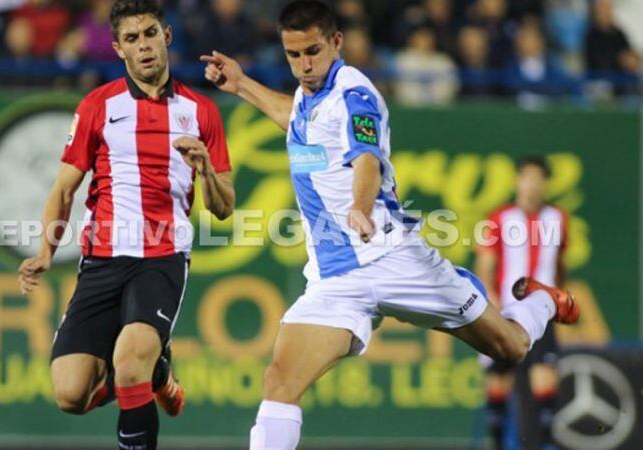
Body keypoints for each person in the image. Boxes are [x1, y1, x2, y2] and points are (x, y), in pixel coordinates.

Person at [200, 2, 579, 448]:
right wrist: (242, 84)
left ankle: (543, 302)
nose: (304, 65)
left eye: (313, 51)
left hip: (394, 260)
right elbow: (296, 120)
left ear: (337, 42)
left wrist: (360, 206)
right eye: (293, 54)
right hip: (334, 279)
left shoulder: (354, 94)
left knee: (510, 347)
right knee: (280, 382)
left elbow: (366, 161)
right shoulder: (309, 94)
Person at [17, 1, 235, 449]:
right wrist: (45, 251)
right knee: (71, 392)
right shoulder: (98, 106)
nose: (144, 47)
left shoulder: (201, 112)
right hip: (102, 260)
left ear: (167, 36)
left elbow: (224, 207)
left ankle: (145, 370)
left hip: (162, 257)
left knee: (129, 361)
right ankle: (158, 372)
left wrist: (206, 170)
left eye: (150, 34)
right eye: (132, 39)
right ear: (118, 49)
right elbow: (63, 189)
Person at [476, 156, 568, 450]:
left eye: (538, 178)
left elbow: (560, 264)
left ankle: (546, 445)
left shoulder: (558, 219)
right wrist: (494, 306)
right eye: (527, 177)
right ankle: (498, 444)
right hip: (507, 311)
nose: (532, 184)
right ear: (517, 180)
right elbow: (485, 266)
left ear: (545, 183)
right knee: (499, 382)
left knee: (545, 381)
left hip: (540, 310)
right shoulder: (499, 218)